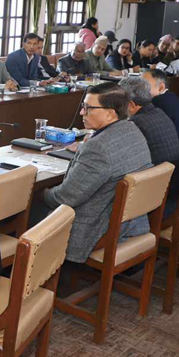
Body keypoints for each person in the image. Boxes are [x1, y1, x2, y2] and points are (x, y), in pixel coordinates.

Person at [38, 83, 153, 263]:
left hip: (96, 230)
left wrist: (41, 194)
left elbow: (65, 198)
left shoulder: (98, 148)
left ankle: (31, 274)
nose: (81, 113)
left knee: (30, 208)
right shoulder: (132, 130)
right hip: (132, 222)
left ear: (110, 113)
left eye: (88, 108)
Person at [120, 77, 179, 217]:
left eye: (119, 102)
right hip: (172, 195)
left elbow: (122, 161)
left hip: (155, 204)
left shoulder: (137, 123)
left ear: (131, 105)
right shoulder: (159, 112)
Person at [142, 69, 179, 160]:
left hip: (177, 160)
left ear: (161, 87)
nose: (140, 89)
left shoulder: (157, 102)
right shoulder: (172, 97)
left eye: (144, 85)